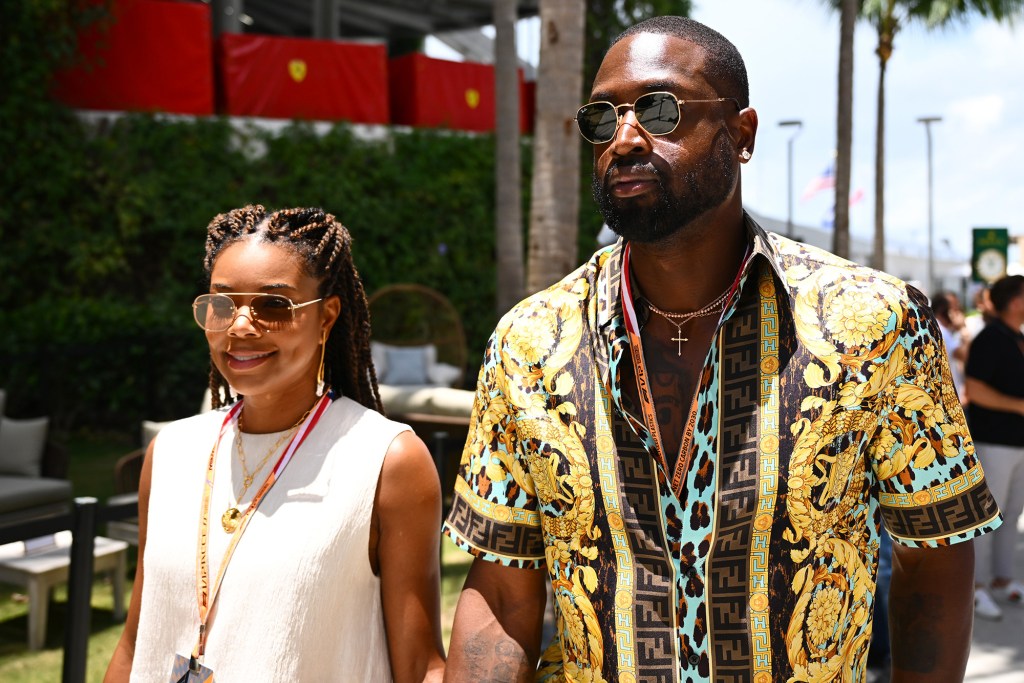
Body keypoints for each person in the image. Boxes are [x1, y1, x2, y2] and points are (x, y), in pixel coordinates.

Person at [442, 16, 1001, 683]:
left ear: (742, 134)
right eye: (602, 117)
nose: (623, 138)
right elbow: (503, 588)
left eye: (659, 109)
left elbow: (932, 555)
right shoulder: (528, 343)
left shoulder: (873, 324)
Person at [105, 206, 445, 682]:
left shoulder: (385, 461)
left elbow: (421, 665)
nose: (240, 326)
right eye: (222, 305)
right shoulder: (171, 452)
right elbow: (136, 642)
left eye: (272, 306)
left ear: (326, 317)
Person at [964, 274, 1024, 621]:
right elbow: (975, 388)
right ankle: (976, 588)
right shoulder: (990, 338)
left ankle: (1002, 580)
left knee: (1011, 513)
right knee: (988, 517)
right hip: (993, 442)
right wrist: (1017, 406)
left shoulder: (1015, 336)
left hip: (1015, 443)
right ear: (1014, 301)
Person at [932, 290, 969, 403]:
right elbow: (963, 355)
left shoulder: (938, 328)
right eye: (954, 308)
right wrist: (963, 330)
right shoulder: (941, 330)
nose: (958, 312)